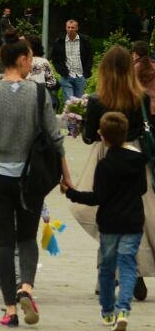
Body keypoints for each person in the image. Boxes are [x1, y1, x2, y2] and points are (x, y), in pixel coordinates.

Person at [0, 35, 70, 328]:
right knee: (27, 237)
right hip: (30, 179)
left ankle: (10, 310)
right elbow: (54, 137)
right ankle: (26, 286)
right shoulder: (38, 94)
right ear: (23, 60)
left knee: (3, 242)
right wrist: (66, 176)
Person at [75, 45, 154, 302]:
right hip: (135, 156)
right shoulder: (139, 97)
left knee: (104, 213)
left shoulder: (98, 100)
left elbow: (88, 138)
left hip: (105, 157)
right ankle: (133, 271)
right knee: (138, 214)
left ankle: (108, 275)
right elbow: (144, 129)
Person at [65, 111, 147, 331]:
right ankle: (124, 309)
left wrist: (72, 193)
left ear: (103, 136)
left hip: (110, 223)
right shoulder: (139, 160)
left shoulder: (105, 164)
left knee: (108, 268)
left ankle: (108, 311)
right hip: (133, 221)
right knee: (129, 266)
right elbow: (142, 189)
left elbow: (97, 198)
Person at [51, 18, 92, 101]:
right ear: (66, 28)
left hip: (80, 75)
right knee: (69, 102)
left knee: (80, 103)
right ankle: (69, 114)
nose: (70, 29)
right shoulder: (60, 41)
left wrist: (86, 73)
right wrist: (61, 71)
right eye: (68, 27)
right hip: (66, 76)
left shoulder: (84, 40)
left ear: (77, 28)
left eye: (72, 27)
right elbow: (55, 58)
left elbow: (89, 57)